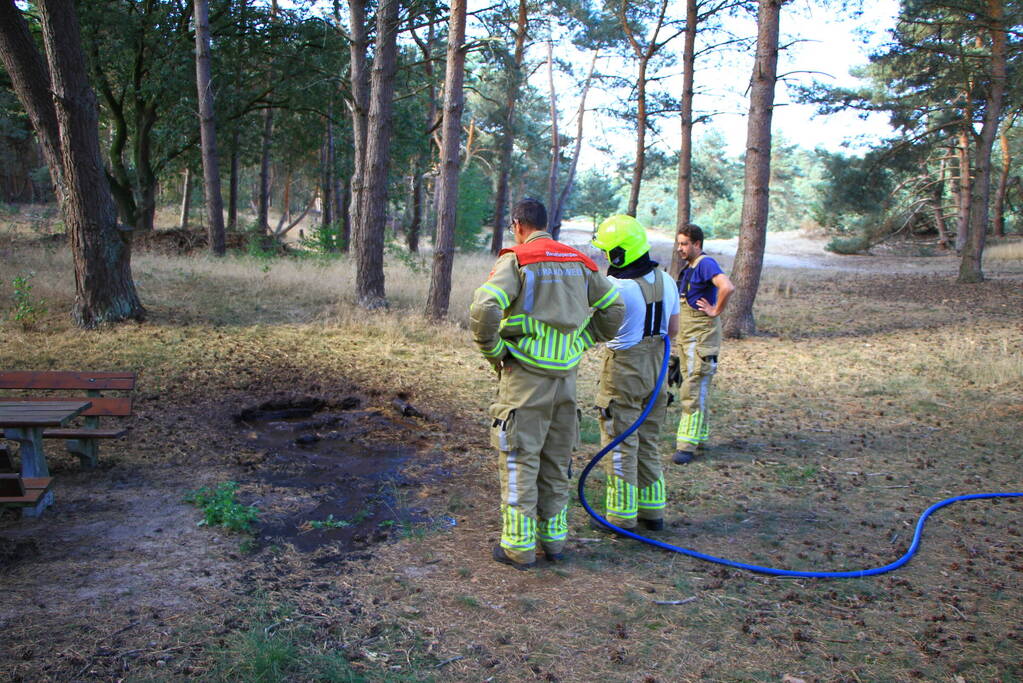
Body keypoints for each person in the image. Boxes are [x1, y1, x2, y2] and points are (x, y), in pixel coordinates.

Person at [470, 198, 624, 570]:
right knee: (557, 462)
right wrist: (582, 341)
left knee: (520, 458)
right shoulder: (580, 262)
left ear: (518, 224)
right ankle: (554, 542)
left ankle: (518, 547)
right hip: (565, 381)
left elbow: (484, 307)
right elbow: (615, 309)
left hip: (525, 379)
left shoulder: (518, 260)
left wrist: (495, 351)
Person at [590, 215, 680, 531]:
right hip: (658, 370)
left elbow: (598, 331)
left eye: (606, 251)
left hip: (624, 371)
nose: (603, 257)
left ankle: (620, 517)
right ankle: (653, 512)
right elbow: (674, 330)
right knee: (649, 441)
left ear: (619, 254)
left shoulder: (618, 287)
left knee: (619, 441)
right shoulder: (667, 280)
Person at [672, 224, 735, 464]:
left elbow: (727, 286)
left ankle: (686, 446)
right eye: (679, 243)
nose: (680, 248)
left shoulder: (706, 263)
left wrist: (715, 310)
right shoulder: (690, 267)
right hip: (688, 336)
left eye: (685, 243)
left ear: (697, 244)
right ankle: (699, 436)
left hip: (701, 337)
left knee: (693, 387)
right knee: (695, 385)